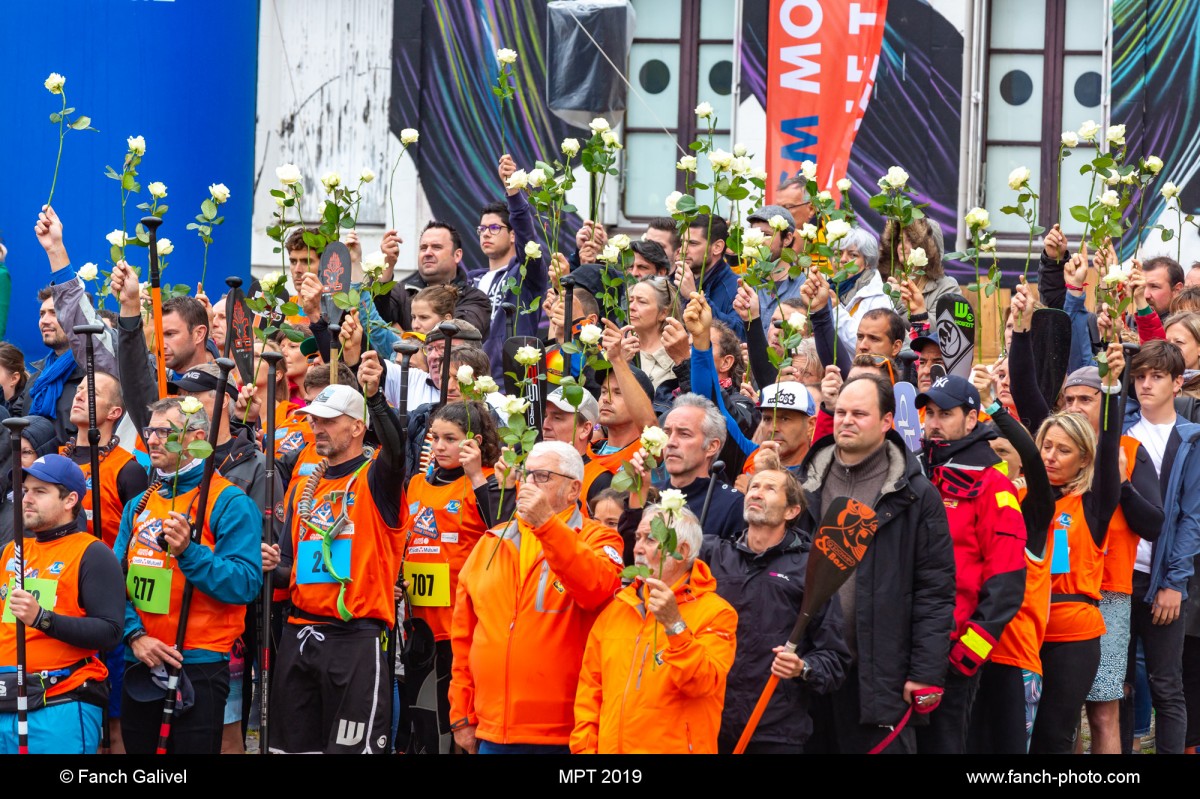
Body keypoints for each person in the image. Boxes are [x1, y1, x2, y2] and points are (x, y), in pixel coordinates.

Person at [801, 374, 956, 754]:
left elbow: (935, 592)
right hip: (808, 670)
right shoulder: (804, 485)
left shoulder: (917, 495)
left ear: (888, 421)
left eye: (859, 413)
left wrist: (924, 672)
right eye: (840, 412)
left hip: (878, 673)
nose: (846, 420)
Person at [265, 355, 407, 754]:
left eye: (328, 420)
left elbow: (397, 452)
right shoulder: (303, 486)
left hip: (355, 637)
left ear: (358, 426)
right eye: (313, 419)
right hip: (299, 632)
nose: (317, 428)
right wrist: (272, 567)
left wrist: (375, 397)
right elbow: (293, 570)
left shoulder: (377, 478)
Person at [449, 441, 623, 754]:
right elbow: (464, 638)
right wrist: (462, 714)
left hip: (563, 734)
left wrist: (547, 524)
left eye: (542, 476)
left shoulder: (598, 538)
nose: (529, 484)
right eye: (526, 475)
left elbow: (596, 589)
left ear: (573, 490)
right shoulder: (491, 541)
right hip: (492, 731)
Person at [115, 398, 261, 754]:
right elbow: (113, 583)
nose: (152, 440)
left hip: (197, 664)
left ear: (196, 437)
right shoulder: (140, 504)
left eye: (165, 432)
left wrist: (189, 554)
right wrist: (134, 635)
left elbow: (244, 582)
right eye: (150, 431)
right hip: (142, 659)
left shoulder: (229, 501)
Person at [703, 451, 849, 753]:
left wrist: (802, 667)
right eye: (754, 487)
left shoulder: (811, 569)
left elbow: (835, 659)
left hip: (774, 732)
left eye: (770, 488)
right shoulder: (715, 555)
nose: (757, 492)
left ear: (792, 510)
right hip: (709, 724)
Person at [913, 374, 1027, 754]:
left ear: (972, 418)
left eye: (945, 413)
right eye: (929, 413)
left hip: (952, 651)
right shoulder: (915, 473)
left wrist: (968, 652)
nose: (933, 422)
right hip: (903, 645)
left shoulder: (995, 485)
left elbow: (1007, 579)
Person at [1022, 344, 1125, 754]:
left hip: (1073, 630)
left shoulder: (1093, 504)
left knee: (1055, 733)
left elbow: (1112, 437)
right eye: (1046, 447)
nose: (1050, 456)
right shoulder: (1026, 498)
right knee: (1021, 734)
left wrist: (1112, 387)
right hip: (1025, 628)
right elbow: (1029, 400)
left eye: (1063, 450)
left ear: (1084, 459)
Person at [571, 504, 737, 754]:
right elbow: (590, 690)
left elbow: (701, 683)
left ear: (682, 551)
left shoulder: (717, 613)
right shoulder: (618, 607)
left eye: (650, 539)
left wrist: (674, 625)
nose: (637, 547)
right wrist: (585, 748)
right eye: (638, 537)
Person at [399, 400, 504, 754]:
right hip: (418, 627)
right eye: (434, 438)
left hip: (463, 629)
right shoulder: (416, 485)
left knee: (455, 731)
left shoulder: (490, 482)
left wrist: (476, 476)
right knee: (424, 727)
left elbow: (504, 534)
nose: (440, 446)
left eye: (451, 438)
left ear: (474, 442)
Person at [0, 455, 124, 754]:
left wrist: (43, 618)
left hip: (60, 702)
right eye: (25, 490)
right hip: (6, 700)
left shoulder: (93, 552)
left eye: (40, 491)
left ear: (70, 499)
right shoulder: (11, 551)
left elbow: (109, 632)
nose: (27, 499)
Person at [62, 371, 148, 546]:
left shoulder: (128, 470)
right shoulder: (54, 460)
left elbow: (138, 537)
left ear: (114, 412)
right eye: (79, 389)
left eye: (92, 393)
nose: (79, 396)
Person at [374, 221, 492, 336]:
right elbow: (375, 318)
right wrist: (387, 265)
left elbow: (456, 337)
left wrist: (401, 334)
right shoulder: (401, 291)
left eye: (436, 247)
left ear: (457, 255)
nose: (428, 253)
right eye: (423, 248)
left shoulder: (476, 300)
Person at [677, 214, 742, 337]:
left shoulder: (737, 287)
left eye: (692, 243)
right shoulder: (675, 281)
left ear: (717, 247)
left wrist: (695, 297)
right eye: (682, 242)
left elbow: (739, 334)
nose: (682, 250)